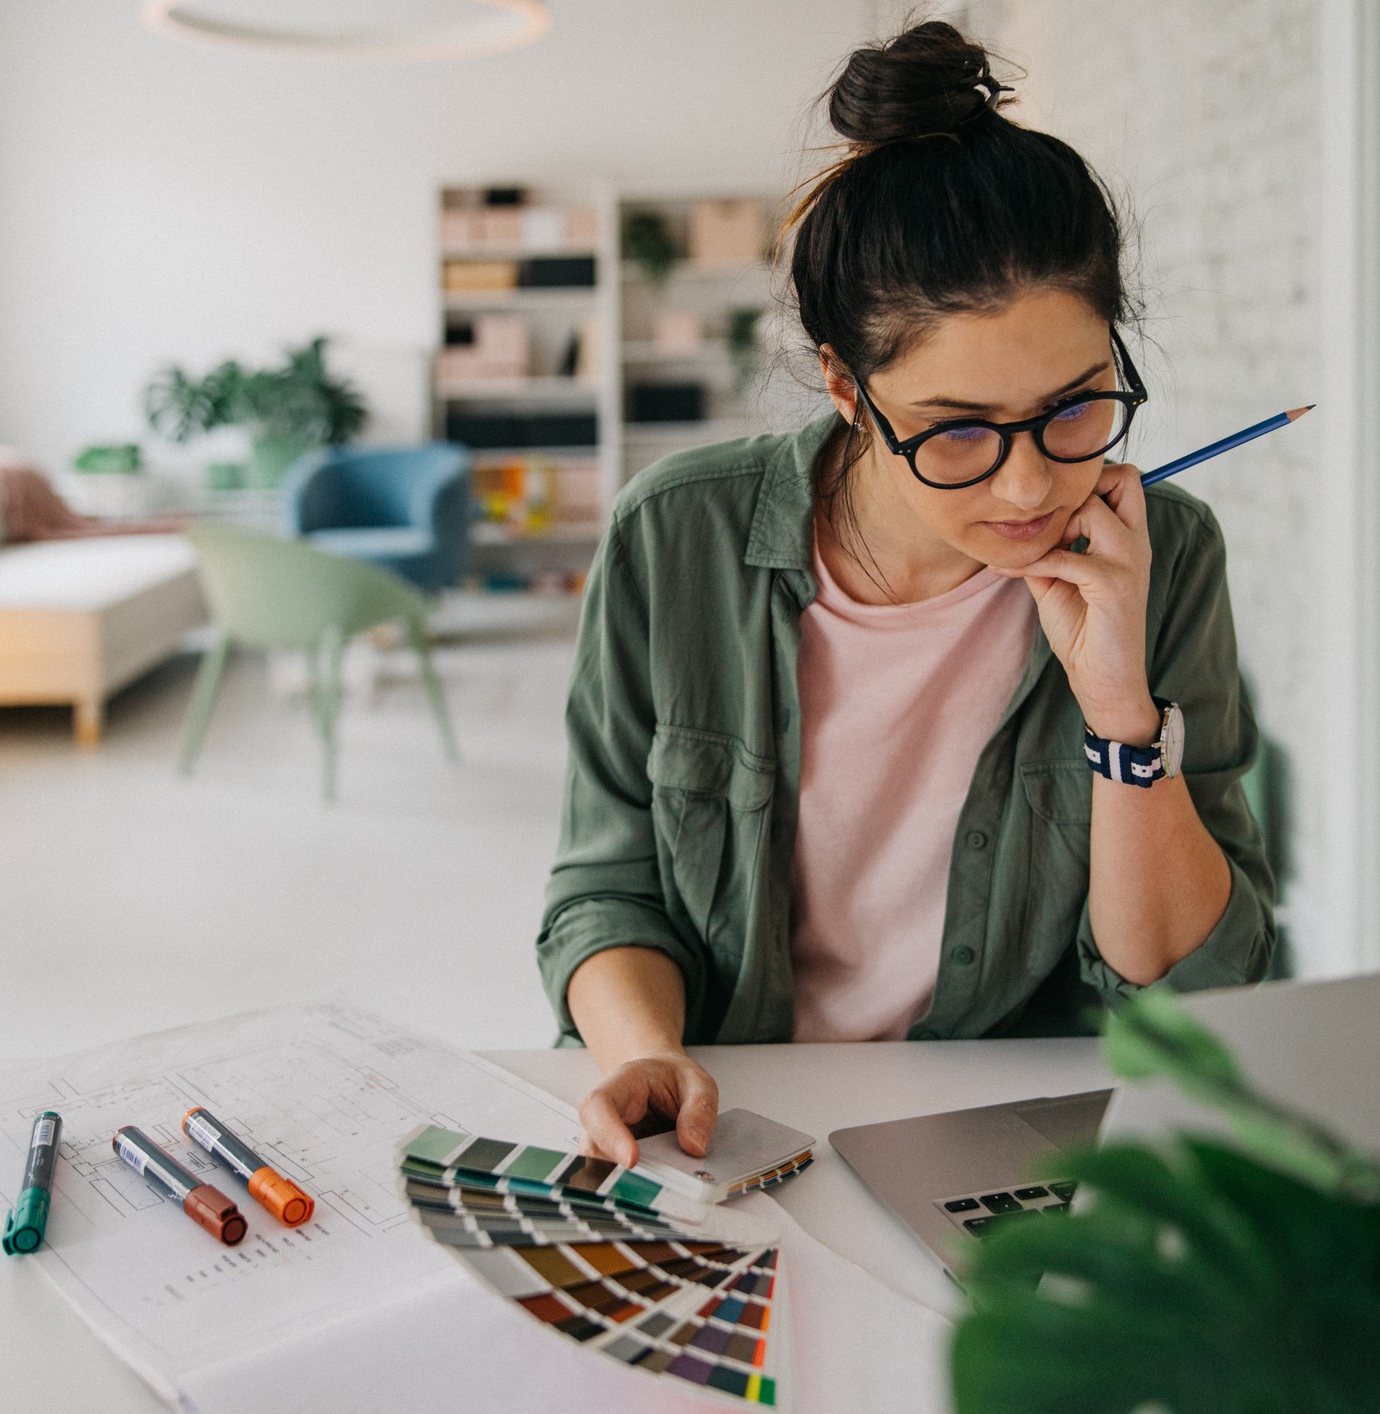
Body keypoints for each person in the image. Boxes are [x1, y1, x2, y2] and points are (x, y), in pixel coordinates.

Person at [537, 19, 1276, 1167]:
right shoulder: (674, 535)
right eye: (957, 430)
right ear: (844, 384)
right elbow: (607, 884)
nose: (1030, 482)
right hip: (731, 1126)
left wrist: (1121, 711)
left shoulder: (1160, 555)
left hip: (1009, 1146)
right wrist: (644, 1049)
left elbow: (1190, 994)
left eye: (1076, 406)